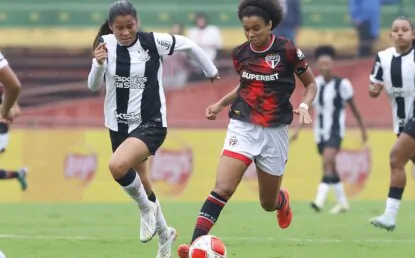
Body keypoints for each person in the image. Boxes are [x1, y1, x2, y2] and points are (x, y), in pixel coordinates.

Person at [177, 0, 317, 256]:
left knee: (267, 202)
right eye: (246, 29)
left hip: (274, 131)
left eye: (256, 29)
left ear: (269, 25)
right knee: (223, 187)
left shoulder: (287, 50)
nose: (251, 34)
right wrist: (220, 104)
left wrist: (306, 105)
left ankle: (281, 201)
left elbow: (311, 85)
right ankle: (195, 244)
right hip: (243, 125)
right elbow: (246, 85)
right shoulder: (240, 53)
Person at [86, 1, 219, 257]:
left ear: (137, 23)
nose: (125, 32)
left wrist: (209, 69)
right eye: (119, 28)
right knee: (143, 182)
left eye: (130, 26)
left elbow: (189, 45)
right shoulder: (104, 45)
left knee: (116, 166)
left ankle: (146, 210)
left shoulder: (152, 42)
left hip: (151, 123)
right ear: (111, 27)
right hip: (119, 126)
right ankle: (165, 234)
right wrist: (98, 63)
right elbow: (93, 86)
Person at [290, 45, 367, 214]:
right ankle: (343, 203)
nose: (324, 67)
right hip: (320, 132)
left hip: (335, 130)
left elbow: (354, 109)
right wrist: (297, 131)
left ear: (332, 65)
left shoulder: (343, 85)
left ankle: (319, 200)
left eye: (327, 63)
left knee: (327, 161)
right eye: (321, 64)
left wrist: (363, 129)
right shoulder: (315, 85)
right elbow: (307, 109)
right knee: (330, 165)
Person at [369, 16, 415, 231]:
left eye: (405, 29)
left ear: (413, 34)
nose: (400, 33)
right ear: (390, 35)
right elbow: (374, 86)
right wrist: (374, 90)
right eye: (396, 29)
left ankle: (390, 215)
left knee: (396, 157)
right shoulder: (383, 58)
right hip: (402, 122)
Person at [0, 51, 27, 191]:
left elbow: (15, 111)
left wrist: (3, 113)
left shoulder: (5, 94)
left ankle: (18, 174)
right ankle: (18, 174)